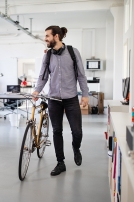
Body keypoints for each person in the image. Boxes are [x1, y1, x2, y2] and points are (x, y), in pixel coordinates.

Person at [32, 26, 89, 176]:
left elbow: (81, 75)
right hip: (54, 99)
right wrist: (37, 90)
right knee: (57, 131)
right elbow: (43, 76)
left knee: (77, 132)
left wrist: (85, 94)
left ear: (56, 36)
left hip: (71, 99)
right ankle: (60, 162)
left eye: (47, 36)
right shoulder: (48, 56)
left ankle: (76, 148)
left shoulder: (72, 52)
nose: (45, 39)